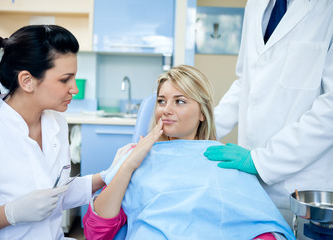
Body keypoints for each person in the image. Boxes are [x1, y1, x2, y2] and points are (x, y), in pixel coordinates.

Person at [83, 65, 295, 240]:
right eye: (161, 101)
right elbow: (97, 232)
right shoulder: (136, 157)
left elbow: (261, 227)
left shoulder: (221, 158)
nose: (166, 110)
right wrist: (129, 164)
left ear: (202, 113)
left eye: (180, 101)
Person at [203, 0, 333, 234]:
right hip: (250, 187)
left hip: (302, 186)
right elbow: (245, 82)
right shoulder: (256, 4)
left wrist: (262, 161)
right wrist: (203, 127)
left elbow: (330, 108)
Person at [0, 25, 106, 239]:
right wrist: (8, 214)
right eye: (65, 79)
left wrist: (109, 176)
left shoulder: (56, 124)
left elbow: (55, 194)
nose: (75, 88)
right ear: (27, 81)